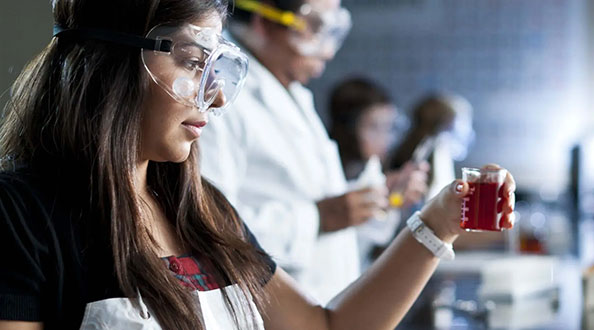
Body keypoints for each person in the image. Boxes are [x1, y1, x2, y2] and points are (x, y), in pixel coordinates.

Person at [0, 0, 516, 329]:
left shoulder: (203, 209)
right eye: (194, 61)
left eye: (217, 66)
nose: (217, 98)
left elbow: (326, 328)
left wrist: (439, 221)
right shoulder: (20, 215)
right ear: (110, 57)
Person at [199, 0, 388, 303]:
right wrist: (318, 219)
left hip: (323, 305)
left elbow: (305, 195)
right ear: (263, 22)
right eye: (315, 28)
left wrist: (368, 198)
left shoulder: (292, 92)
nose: (327, 51)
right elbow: (207, 225)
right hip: (272, 309)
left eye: (334, 29)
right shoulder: (221, 94)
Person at [328, 77, 430, 269]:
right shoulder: (330, 173)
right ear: (347, 128)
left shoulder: (372, 170)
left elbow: (376, 238)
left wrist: (394, 199)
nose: (386, 138)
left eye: (389, 127)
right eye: (374, 126)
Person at [389, 93, 475, 200]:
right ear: (447, 124)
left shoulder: (409, 152)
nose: (468, 133)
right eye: (463, 124)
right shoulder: (430, 155)